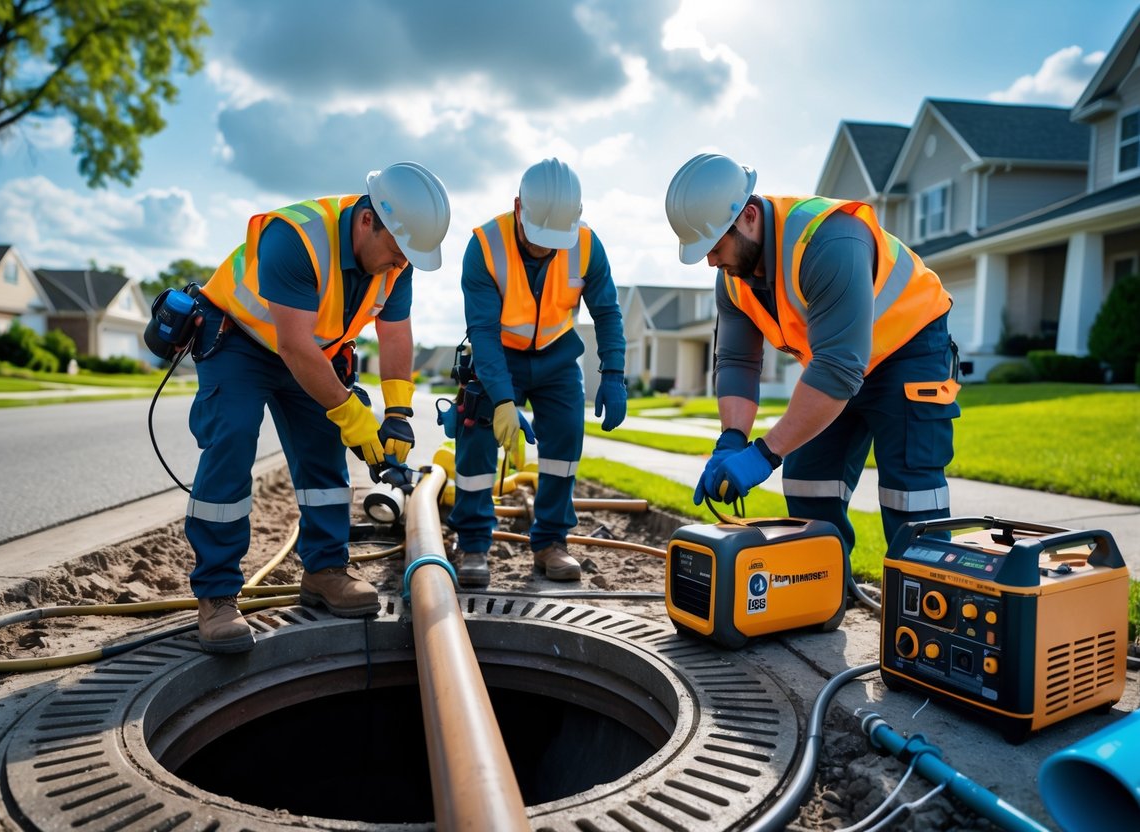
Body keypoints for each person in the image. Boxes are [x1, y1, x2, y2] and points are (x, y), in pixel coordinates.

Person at [186, 161, 451, 653]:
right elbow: (292, 344)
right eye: (396, 252)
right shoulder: (296, 237)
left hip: (312, 352)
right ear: (368, 219)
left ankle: (326, 569)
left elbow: (394, 333)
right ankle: (217, 593)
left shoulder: (397, 261)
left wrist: (396, 414)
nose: (398, 265)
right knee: (233, 440)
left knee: (323, 455)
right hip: (240, 342)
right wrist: (352, 414)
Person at [665, 153, 959, 554]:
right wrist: (732, 439)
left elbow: (838, 369)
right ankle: (822, 603)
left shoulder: (828, 240)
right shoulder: (732, 279)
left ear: (749, 215)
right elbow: (737, 361)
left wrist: (763, 455)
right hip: (835, 365)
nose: (712, 261)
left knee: (910, 496)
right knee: (808, 482)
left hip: (909, 350)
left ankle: (927, 610)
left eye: (715, 246)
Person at [447, 158, 627, 587]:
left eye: (554, 240)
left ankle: (550, 542)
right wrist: (504, 401)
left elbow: (607, 312)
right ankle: (472, 544)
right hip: (499, 355)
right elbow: (484, 332)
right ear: (517, 208)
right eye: (538, 237)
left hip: (557, 357)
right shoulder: (485, 246)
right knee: (476, 438)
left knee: (565, 442)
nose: (546, 248)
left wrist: (615, 374)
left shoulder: (586, 244)